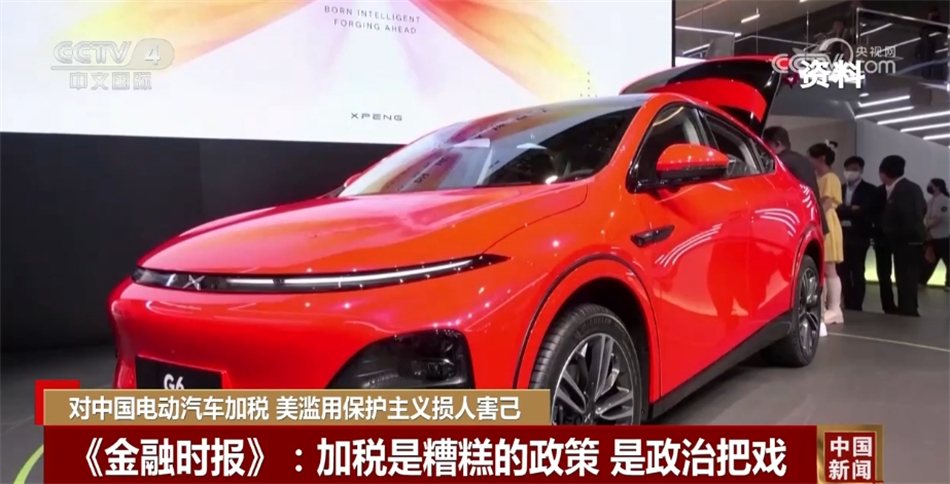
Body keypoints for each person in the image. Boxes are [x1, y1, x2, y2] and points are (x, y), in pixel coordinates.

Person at [877, 155, 928, 317]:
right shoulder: (911, 188)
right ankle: (904, 307)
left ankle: (908, 309)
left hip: (907, 240)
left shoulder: (906, 189)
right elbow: (923, 208)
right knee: (902, 276)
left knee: (907, 276)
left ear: (883, 172)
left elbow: (908, 215)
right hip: (901, 239)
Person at [763, 126, 829, 236]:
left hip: (797, 224)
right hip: (817, 220)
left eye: (766, 145)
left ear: (777, 144)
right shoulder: (803, 160)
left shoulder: (779, 162)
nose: (765, 150)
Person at [808, 142, 845, 327]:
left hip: (827, 222)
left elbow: (827, 202)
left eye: (811, 158)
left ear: (821, 159)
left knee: (829, 268)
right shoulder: (818, 177)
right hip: (821, 221)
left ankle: (835, 309)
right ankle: (822, 307)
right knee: (822, 268)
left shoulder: (830, 178)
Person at [836, 156, 876, 310]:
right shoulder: (840, 188)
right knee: (842, 271)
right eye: (848, 169)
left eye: (854, 169)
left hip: (860, 235)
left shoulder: (870, 190)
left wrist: (847, 210)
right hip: (842, 235)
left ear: (861, 170)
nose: (850, 172)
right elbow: (836, 209)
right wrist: (850, 209)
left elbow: (865, 211)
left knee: (858, 271)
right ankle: (847, 302)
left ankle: (857, 304)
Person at [923, 178, 950, 290]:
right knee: (929, 260)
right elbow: (927, 217)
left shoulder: (946, 200)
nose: (929, 187)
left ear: (938, 187)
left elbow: (940, 218)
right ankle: (921, 281)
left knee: (948, 261)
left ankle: (948, 284)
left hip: (944, 236)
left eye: (931, 185)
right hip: (931, 236)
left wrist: (928, 224)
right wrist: (927, 224)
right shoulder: (930, 201)